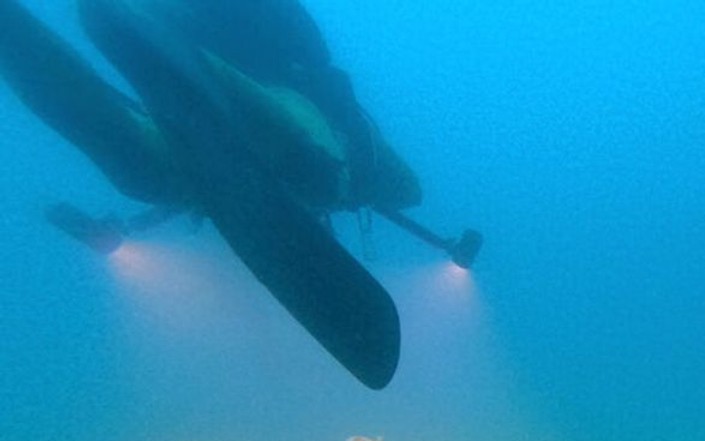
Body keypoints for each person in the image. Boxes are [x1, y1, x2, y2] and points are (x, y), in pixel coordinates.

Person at [0, 0, 445, 389]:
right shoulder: (327, 122)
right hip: (278, 112)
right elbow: (407, 190)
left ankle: (54, 36)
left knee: (144, 174)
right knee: (309, 159)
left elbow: (407, 188)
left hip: (202, 107)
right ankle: (173, 55)